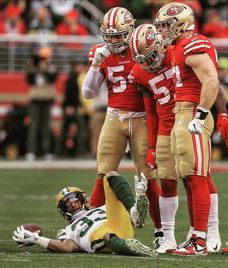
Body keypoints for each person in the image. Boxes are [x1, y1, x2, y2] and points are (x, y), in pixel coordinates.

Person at [82, 7, 162, 240]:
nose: (114, 40)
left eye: (118, 35)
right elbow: (88, 93)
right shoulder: (100, 52)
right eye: (110, 35)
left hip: (142, 118)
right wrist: (96, 64)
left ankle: (160, 231)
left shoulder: (143, 47)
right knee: (103, 172)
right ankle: (89, 228)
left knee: (148, 176)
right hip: (114, 116)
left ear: (129, 31)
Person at [154, 2, 221, 256]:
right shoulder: (179, 46)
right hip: (184, 111)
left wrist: (202, 114)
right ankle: (196, 235)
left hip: (192, 111)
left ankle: (201, 240)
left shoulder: (192, 44)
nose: (162, 30)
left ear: (181, 23)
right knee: (189, 177)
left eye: (165, 25)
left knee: (196, 177)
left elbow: (212, 80)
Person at [13, 171, 157, 257]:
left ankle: (134, 210)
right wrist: (36, 239)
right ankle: (131, 247)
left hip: (118, 225)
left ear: (83, 199)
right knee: (106, 234)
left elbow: (124, 221)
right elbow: (66, 247)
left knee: (110, 175)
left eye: (74, 198)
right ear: (64, 211)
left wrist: (131, 214)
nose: (72, 203)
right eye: (67, 203)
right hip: (105, 237)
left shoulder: (102, 208)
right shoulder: (68, 230)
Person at [130, 24, 178, 253]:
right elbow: (151, 112)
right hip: (166, 125)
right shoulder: (140, 72)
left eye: (150, 57)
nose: (148, 64)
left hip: (190, 121)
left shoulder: (177, 52)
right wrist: (151, 146)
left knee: (196, 176)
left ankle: (206, 234)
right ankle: (167, 235)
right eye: (142, 59)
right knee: (168, 179)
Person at [25, 45, 59, 161]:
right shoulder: (33, 68)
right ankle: (31, 151)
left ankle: (47, 151)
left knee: (46, 126)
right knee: (33, 126)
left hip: (47, 100)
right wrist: (33, 65)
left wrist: (45, 67)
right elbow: (29, 79)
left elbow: (52, 78)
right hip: (35, 100)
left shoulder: (52, 67)